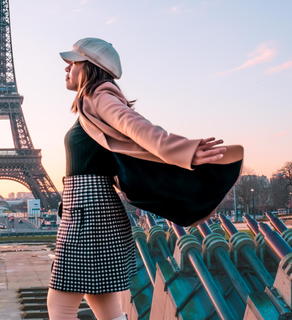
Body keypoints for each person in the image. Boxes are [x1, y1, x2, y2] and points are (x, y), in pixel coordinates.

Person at [47, 38, 243, 320]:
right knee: (101, 300)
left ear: (90, 67)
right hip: (89, 208)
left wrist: (186, 150)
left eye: (72, 62)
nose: (66, 67)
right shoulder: (89, 105)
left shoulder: (99, 97)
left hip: (89, 212)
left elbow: (138, 128)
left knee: (60, 305)